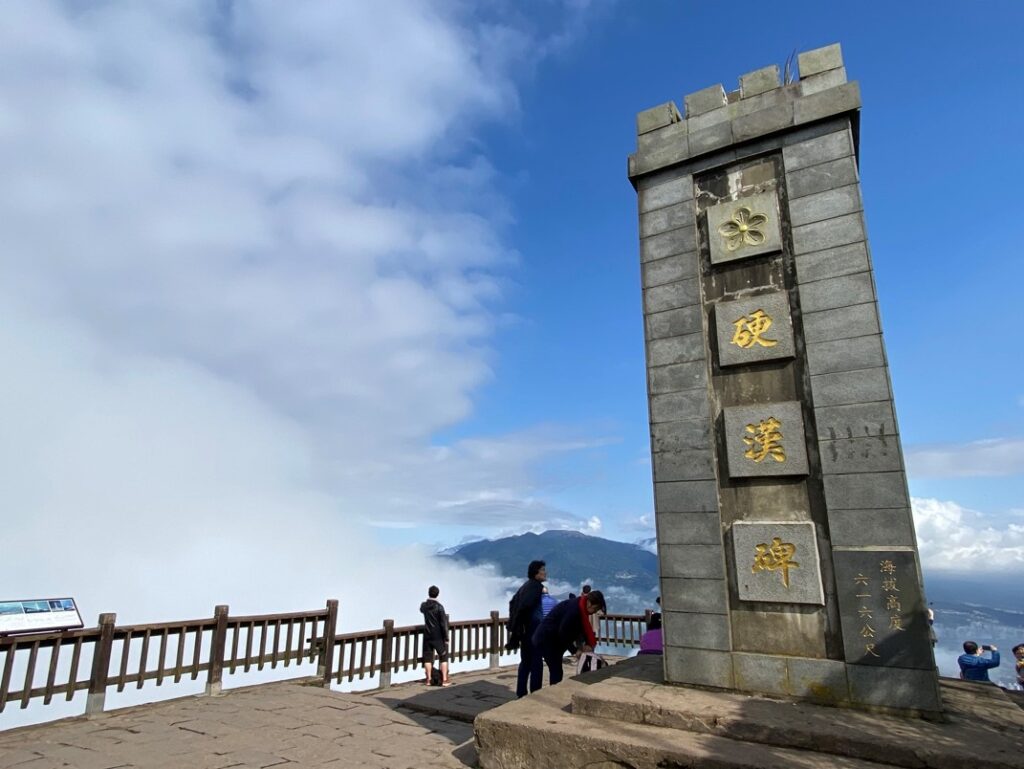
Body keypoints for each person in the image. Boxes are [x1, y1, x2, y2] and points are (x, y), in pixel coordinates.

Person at [532, 590, 606, 689]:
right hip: (546, 639)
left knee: (555, 670)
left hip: (554, 641)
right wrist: (575, 650)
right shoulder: (574, 609)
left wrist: (587, 643)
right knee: (553, 670)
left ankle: (551, 692)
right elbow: (563, 632)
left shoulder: (580, 607)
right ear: (589, 603)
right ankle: (548, 694)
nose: (596, 611)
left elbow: (582, 627)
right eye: (596, 608)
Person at [507, 560, 547, 698]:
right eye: (542, 570)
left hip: (524, 631)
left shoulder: (525, 586)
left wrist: (516, 625)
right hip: (534, 630)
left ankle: (521, 692)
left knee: (525, 662)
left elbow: (513, 602)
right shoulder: (536, 587)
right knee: (536, 662)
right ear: (536, 572)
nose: (545, 572)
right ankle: (535, 693)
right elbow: (526, 606)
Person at [420, 585, 451, 687]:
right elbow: (443, 624)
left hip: (427, 635)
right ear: (438, 594)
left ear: (428, 593)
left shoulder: (424, 606)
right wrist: (446, 637)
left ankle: (428, 680)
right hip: (438, 636)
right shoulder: (439, 607)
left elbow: (421, 609)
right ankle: (445, 680)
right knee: (443, 657)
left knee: (428, 659)